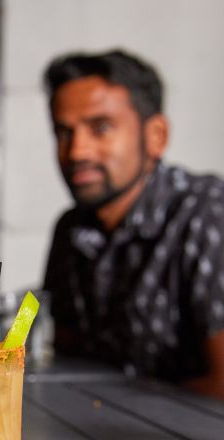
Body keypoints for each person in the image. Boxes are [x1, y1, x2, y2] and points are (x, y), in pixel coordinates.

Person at [42, 49, 224, 398]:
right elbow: (64, 355)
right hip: (83, 438)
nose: (77, 151)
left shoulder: (206, 213)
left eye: (101, 128)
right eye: (63, 133)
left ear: (156, 135)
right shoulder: (69, 230)